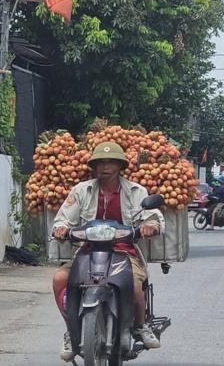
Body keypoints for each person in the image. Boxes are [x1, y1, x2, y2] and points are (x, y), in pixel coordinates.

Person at [51, 141, 164, 362]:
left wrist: (150, 226)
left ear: (120, 165)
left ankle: (140, 326)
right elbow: (62, 218)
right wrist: (61, 228)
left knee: (135, 287)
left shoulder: (136, 191)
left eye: (111, 162)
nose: (105, 167)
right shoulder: (81, 191)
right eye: (100, 162)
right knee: (59, 279)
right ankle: (71, 330)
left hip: (124, 252)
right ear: (94, 166)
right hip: (87, 251)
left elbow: (154, 217)